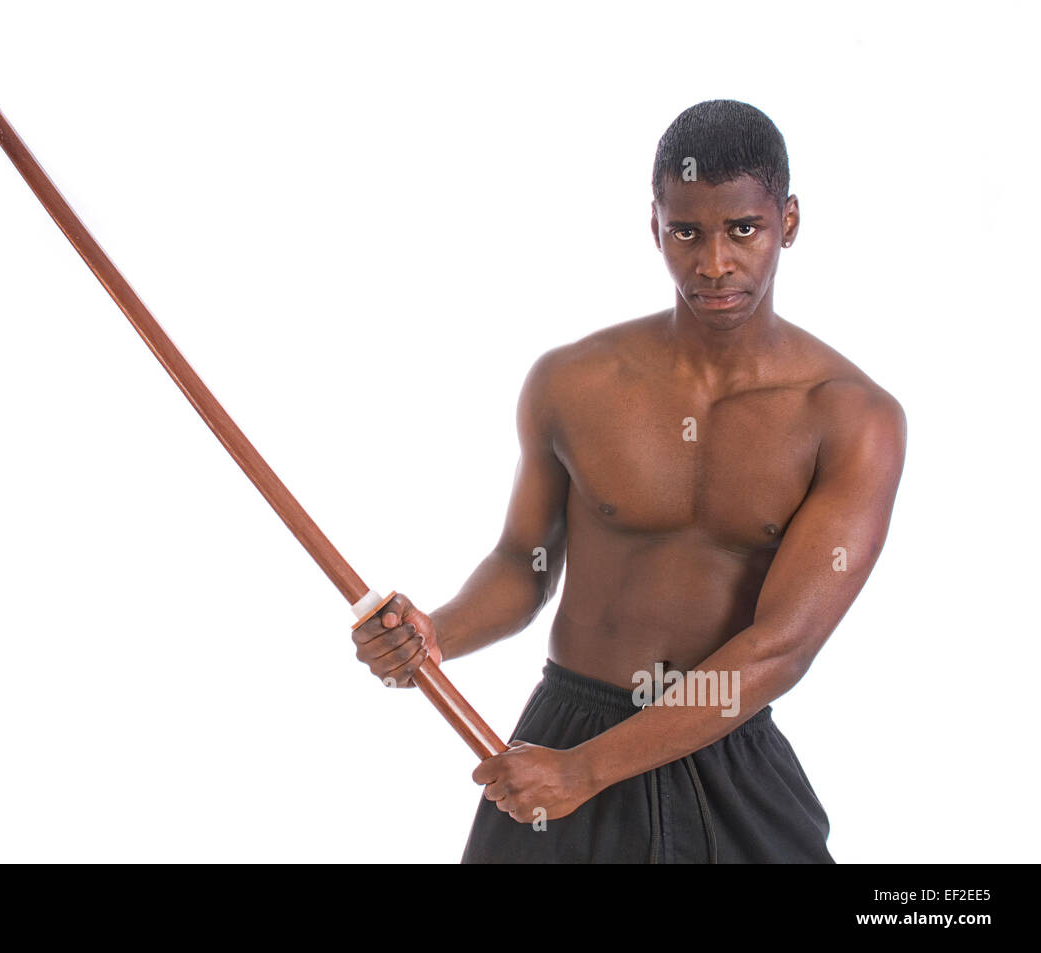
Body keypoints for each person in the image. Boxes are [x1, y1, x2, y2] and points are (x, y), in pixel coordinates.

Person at [351, 99, 906, 863]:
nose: (714, 263)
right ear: (656, 227)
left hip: (724, 747)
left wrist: (590, 769)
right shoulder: (573, 382)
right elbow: (524, 564)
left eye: (743, 228)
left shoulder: (853, 419)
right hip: (565, 727)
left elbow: (779, 649)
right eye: (687, 231)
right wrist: (434, 636)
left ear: (790, 221)